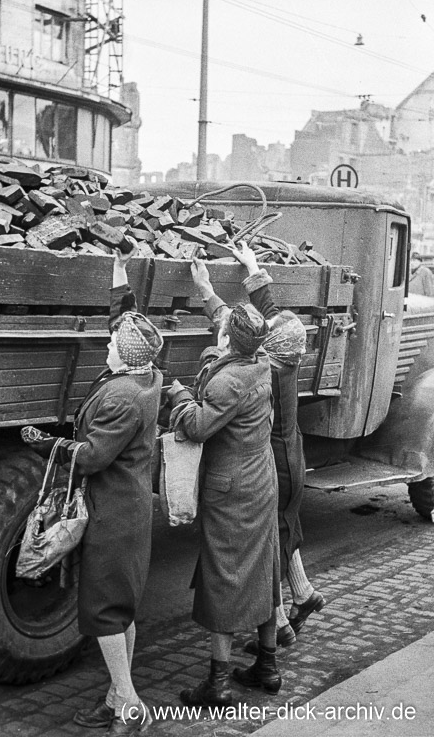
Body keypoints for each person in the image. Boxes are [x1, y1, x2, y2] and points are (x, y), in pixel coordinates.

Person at [22, 245, 163, 737]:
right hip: (128, 509)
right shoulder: (145, 374)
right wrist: (121, 272)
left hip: (113, 516)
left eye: (112, 345)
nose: (106, 347)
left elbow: (95, 456)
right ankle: (113, 696)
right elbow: (128, 326)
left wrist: (51, 445)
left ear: (124, 357)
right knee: (120, 606)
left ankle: (127, 701)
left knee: (103, 611)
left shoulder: (123, 397)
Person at [166, 268, 282, 705]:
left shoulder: (226, 381)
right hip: (261, 482)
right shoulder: (261, 361)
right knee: (263, 569)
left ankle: (216, 685)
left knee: (224, 578)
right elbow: (234, 326)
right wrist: (208, 292)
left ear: (228, 343)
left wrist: (178, 394)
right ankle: (267, 667)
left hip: (230, 491)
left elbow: (196, 427)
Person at [229, 242, 325, 654]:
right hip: (293, 460)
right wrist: (252, 266)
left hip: (279, 466)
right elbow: (272, 316)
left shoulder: (265, 371)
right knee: (285, 529)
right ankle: (303, 596)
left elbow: (252, 336)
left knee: (271, 540)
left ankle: (281, 621)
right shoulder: (288, 356)